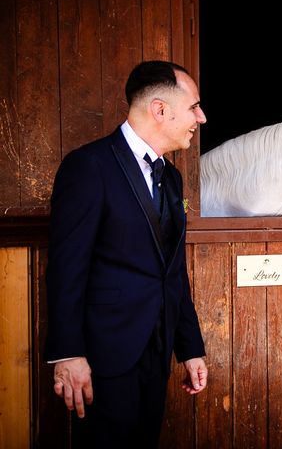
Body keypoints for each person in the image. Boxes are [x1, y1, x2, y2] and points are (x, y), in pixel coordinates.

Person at [45, 60, 208, 448]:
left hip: (157, 350)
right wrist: (68, 353)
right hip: (103, 356)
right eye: (194, 107)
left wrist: (190, 348)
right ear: (160, 109)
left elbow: (173, 271)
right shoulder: (88, 167)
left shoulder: (172, 177)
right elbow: (67, 268)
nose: (200, 118)